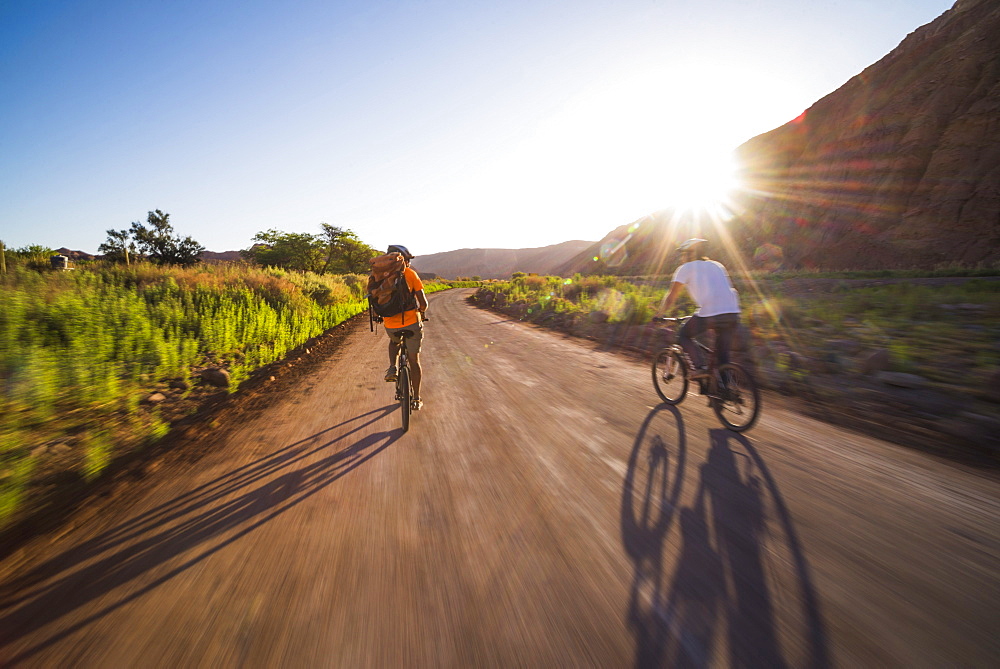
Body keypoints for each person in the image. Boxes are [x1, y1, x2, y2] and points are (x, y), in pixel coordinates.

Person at [655, 238, 740, 379]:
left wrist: (659, 314)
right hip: (733, 312)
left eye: (683, 254)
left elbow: (672, 296)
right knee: (723, 357)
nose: (681, 257)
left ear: (689, 254)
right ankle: (724, 393)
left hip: (711, 313)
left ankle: (700, 367)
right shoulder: (717, 265)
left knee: (683, 335)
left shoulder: (685, 268)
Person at [381, 245, 428, 410]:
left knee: (394, 342)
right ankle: (416, 398)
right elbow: (423, 303)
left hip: (390, 324)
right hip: (411, 323)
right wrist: (421, 312)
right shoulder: (410, 274)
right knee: (414, 361)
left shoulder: (379, 275)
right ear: (404, 260)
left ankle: (392, 367)